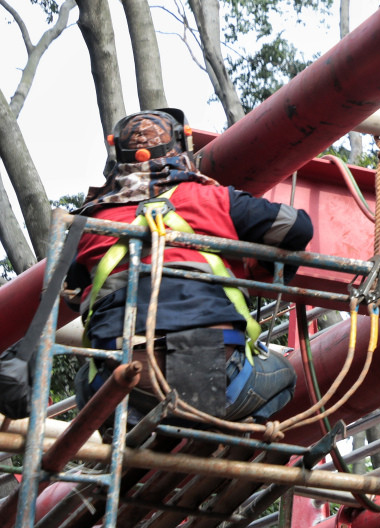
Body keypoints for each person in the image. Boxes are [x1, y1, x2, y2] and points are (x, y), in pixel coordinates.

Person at [68, 109, 314, 421]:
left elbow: (71, 294)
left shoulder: (90, 221)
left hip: (124, 379)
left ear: (117, 157)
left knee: (85, 372)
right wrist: (264, 271)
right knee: (283, 374)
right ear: (182, 147)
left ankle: (129, 432)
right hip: (211, 366)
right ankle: (221, 435)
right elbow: (297, 227)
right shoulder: (212, 198)